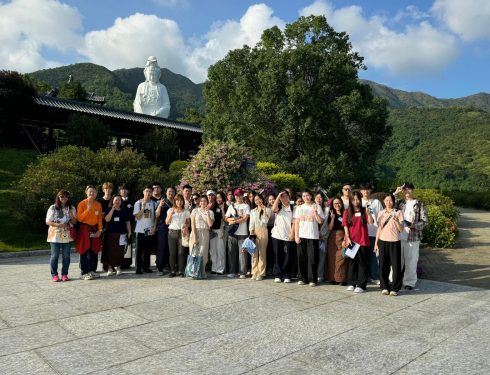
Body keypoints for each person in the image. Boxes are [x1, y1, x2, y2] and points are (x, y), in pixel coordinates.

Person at [393, 182, 428, 290]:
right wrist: (396, 192)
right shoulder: (399, 203)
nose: (407, 191)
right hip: (398, 235)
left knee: (411, 261)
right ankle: (394, 280)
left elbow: (425, 221)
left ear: (413, 190)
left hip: (413, 237)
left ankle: (409, 282)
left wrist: (413, 225)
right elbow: (389, 204)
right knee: (397, 261)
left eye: (409, 189)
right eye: (405, 189)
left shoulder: (419, 204)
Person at [343, 191, 374, 293]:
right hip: (352, 241)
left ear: (360, 200)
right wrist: (347, 237)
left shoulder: (365, 210)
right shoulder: (347, 211)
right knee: (352, 263)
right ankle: (352, 283)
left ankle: (361, 285)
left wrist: (369, 214)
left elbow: (371, 222)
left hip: (363, 241)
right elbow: (345, 225)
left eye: (357, 199)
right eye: (353, 199)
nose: (355, 201)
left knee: (362, 263)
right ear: (351, 200)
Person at [294, 190, 325, 286]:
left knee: (312, 258)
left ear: (311, 196)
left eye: (307, 195)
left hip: (313, 236)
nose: (306, 197)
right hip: (302, 236)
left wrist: (315, 213)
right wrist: (296, 236)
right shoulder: (299, 208)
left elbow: (320, 222)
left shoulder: (317, 206)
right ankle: (303, 278)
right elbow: (297, 222)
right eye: (304, 196)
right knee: (301, 258)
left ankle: (312, 279)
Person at [374, 194, 404, 296]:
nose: (388, 202)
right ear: (384, 201)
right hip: (383, 241)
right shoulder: (381, 213)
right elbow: (379, 229)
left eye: (390, 200)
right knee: (383, 265)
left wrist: (396, 221)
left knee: (395, 265)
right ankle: (384, 286)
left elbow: (401, 229)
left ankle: (395, 288)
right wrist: (376, 243)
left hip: (395, 241)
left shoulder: (398, 213)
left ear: (393, 201)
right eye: (386, 200)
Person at [46, 189, 77, 282]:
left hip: (66, 235)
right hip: (55, 234)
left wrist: (70, 213)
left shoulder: (72, 208)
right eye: (61, 196)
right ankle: (54, 274)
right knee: (54, 256)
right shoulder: (53, 207)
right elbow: (47, 221)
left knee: (66, 256)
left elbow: (74, 221)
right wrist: (58, 225)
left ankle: (64, 274)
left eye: (66, 196)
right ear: (58, 197)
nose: (64, 198)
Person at [76, 185, 103, 280]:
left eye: (94, 192)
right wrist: (88, 209)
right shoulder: (82, 204)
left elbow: (99, 218)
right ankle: (84, 272)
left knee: (94, 250)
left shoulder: (98, 204)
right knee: (84, 250)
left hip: (95, 228)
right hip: (85, 229)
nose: (92, 193)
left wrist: (100, 230)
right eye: (90, 191)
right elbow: (79, 218)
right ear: (86, 192)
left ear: (96, 193)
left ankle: (92, 270)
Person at [360, 183, 383, 285]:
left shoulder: (376, 202)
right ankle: (363, 276)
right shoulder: (358, 201)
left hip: (373, 232)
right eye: (364, 190)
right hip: (360, 234)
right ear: (361, 191)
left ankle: (374, 276)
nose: (366, 192)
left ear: (370, 191)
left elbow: (381, 216)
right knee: (362, 256)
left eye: (368, 189)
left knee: (373, 255)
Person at [225, 188, 250, 279]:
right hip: (232, 233)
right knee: (231, 252)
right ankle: (232, 271)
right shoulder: (231, 206)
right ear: (234, 196)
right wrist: (232, 220)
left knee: (242, 253)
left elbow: (245, 219)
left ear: (242, 195)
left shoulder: (246, 206)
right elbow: (226, 218)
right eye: (236, 195)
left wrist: (234, 221)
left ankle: (242, 272)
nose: (238, 197)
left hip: (243, 233)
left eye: (240, 195)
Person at [103, 195, 131, 276]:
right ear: (112, 201)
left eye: (119, 200)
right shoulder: (108, 209)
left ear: (121, 202)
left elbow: (127, 222)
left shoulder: (124, 211)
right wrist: (112, 210)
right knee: (110, 251)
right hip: (110, 233)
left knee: (120, 251)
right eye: (116, 200)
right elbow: (107, 219)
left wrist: (129, 232)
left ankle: (118, 267)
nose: (117, 201)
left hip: (121, 233)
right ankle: (110, 268)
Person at [270, 191, 294, 283]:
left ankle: (286, 274)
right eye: (282, 197)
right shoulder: (279, 207)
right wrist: (278, 196)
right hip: (277, 235)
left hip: (288, 235)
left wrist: (292, 233)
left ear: (289, 197)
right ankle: (277, 274)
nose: (284, 198)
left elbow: (294, 222)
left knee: (287, 256)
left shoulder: (293, 207)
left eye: (286, 196)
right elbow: (273, 209)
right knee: (277, 255)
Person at [133, 186, 157, 274]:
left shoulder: (154, 203)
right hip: (140, 230)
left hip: (149, 230)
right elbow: (138, 217)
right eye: (147, 191)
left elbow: (155, 217)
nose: (148, 193)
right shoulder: (138, 203)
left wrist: (154, 227)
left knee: (148, 250)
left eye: (150, 191)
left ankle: (146, 267)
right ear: (143, 192)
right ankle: (138, 267)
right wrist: (143, 208)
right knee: (139, 250)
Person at [166, 193, 191, 277]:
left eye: (181, 200)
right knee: (172, 253)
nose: (179, 202)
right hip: (172, 232)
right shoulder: (170, 210)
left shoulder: (186, 212)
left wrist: (186, 227)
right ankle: (173, 270)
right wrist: (170, 215)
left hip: (182, 233)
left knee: (181, 253)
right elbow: (167, 222)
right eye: (177, 200)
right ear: (175, 201)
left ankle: (181, 270)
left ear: (183, 202)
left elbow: (188, 223)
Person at [190, 195, 215, 277]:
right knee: (194, 252)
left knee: (203, 252)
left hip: (205, 232)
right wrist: (194, 235)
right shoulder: (194, 211)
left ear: (207, 202)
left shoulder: (210, 212)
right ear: (199, 202)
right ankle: (193, 271)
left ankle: (202, 270)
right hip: (195, 231)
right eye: (201, 201)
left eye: (204, 201)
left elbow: (210, 224)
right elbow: (192, 224)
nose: (203, 202)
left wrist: (207, 213)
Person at [325, 197, 347, 285]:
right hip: (333, 238)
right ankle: (333, 278)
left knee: (343, 257)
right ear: (332, 205)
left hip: (343, 237)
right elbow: (329, 228)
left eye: (339, 203)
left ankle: (342, 279)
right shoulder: (331, 214)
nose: (337, 205)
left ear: (341, 204)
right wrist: (333, 218)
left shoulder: (346, 213)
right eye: (335, 204)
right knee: (332, 258)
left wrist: (346, 238)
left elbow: (348, 227)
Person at [249, 195, 271, 281]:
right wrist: (251, 231)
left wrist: (264, 210)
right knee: (254, 253)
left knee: (262, 253)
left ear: (262, 199)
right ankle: (254, 272)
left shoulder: (268, 210)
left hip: (263, 231)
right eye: (256, 200)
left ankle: (261, 273)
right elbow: (251, 223)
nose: (258, 201)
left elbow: (265, 222)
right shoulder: (253, 211)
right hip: (254, 232)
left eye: (259, 199)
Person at [155, 186, 175, 275]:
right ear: (166, 193)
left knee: (170, 248)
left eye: (172, 192)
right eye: (169, 191)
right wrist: (159, 206)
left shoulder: (176, 202)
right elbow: (156, 215)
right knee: (162, 247)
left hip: (173, 227)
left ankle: (169, 266)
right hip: (163, 227)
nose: (171, 193)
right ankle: (160, 267)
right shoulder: (162, 202)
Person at [208, 190, 226, 275]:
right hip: (212, 231)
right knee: (213, 250)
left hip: (220, 230)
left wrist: (222, 209)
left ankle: (220, 268)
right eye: (217, 197)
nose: (218, 198)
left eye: (220, 197)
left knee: (220, 250)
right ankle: (214, 267)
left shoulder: (224, 206)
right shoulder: (211, 206)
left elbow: (224, 218)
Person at [315, 192, 330, 283]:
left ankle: (320, 275)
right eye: (317, 197)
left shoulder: (327, 210)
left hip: (324, 236)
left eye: (320, 198)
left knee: (322, 256)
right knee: (313, 256)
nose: (319, 199)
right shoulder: (312, 208)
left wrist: (322, 234)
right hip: (313, 236)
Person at [119, 184, 134, 269]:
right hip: (120, 225)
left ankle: (127, 262)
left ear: (128, 191)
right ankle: (119, 262)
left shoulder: (131, 201)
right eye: (122, 190)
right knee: (120, 243)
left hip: (129, 225)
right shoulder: (117, 200)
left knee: (128, 242)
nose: (123, 191)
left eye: (125, 189)